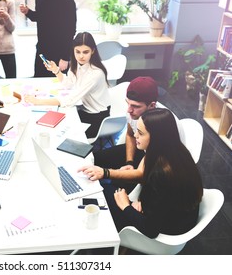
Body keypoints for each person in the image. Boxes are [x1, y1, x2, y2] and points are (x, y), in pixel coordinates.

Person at [80, 108, 203, 238]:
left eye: (140, 133)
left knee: (105, 192)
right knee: (110, 189)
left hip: (168, 230)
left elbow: (151, 230)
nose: (135, 135)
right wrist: (142, 202)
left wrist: (126, 206)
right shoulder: (176, 152)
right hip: (168, 214)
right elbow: (159, 196)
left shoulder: (162, 173)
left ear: (156, 137)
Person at [24, 32, 111, 138]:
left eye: (85, 52)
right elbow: (68, 84)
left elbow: (69, 100)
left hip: (97, 117)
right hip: (85, 110)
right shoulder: (77, 65)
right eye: (77, 52)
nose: (81, 56)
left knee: (61, 129)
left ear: (93, 51)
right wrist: (56, 70)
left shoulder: (96, 73)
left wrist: (38, 102)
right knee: (55, 121)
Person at [93, 76, 159, 180]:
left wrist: (106, 173)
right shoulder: (133, 113)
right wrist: (129, 162)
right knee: (94, 159)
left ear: (152, 105)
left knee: (118, 185)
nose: (129, 110)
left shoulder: (161, 124)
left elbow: (141, 173)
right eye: (128, 103)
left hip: (156, 164)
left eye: (136, 106)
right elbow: (130, 135)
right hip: (140, 149)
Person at [19, 0, 76, 77]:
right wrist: (28, 12)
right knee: (39, 80)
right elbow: (41, 17)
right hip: (43, 49)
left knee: (58, 83)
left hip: (59, 50)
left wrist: (65, 57)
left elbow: (71, 29)